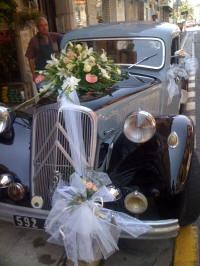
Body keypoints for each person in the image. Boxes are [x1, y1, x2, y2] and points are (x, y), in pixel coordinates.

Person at [25, 17, 63, 86]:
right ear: (37, 27)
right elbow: (30, 59)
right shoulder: (34, 41)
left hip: (55, 72)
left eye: (46, 25)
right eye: (41, 25)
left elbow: (66, 38)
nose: (44, 27)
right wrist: (34, 74)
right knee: (44, 94)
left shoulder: (54, 36)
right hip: (41, 74)